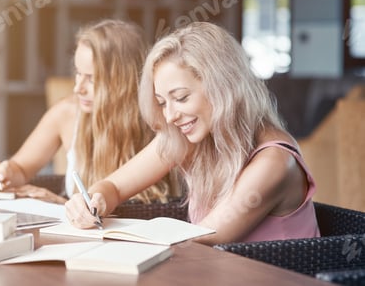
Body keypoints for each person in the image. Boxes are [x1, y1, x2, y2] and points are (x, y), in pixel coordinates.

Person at [65, 21, 320, 245]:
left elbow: (204, 238)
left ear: (224, 87)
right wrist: (92, 200)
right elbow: (113, 186)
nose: (170, 116)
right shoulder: (188, 136)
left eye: (181, 98)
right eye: (162, 102)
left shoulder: (275, 161)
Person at [0, 19, 172, 204]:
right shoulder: (66, 113)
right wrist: (3, 174)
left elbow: (150, 213)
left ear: (125, 81)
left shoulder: (162, 121)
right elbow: (20, 168)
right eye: (78, 73)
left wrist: (59, 204)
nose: (78, 88)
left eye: (92, 78)